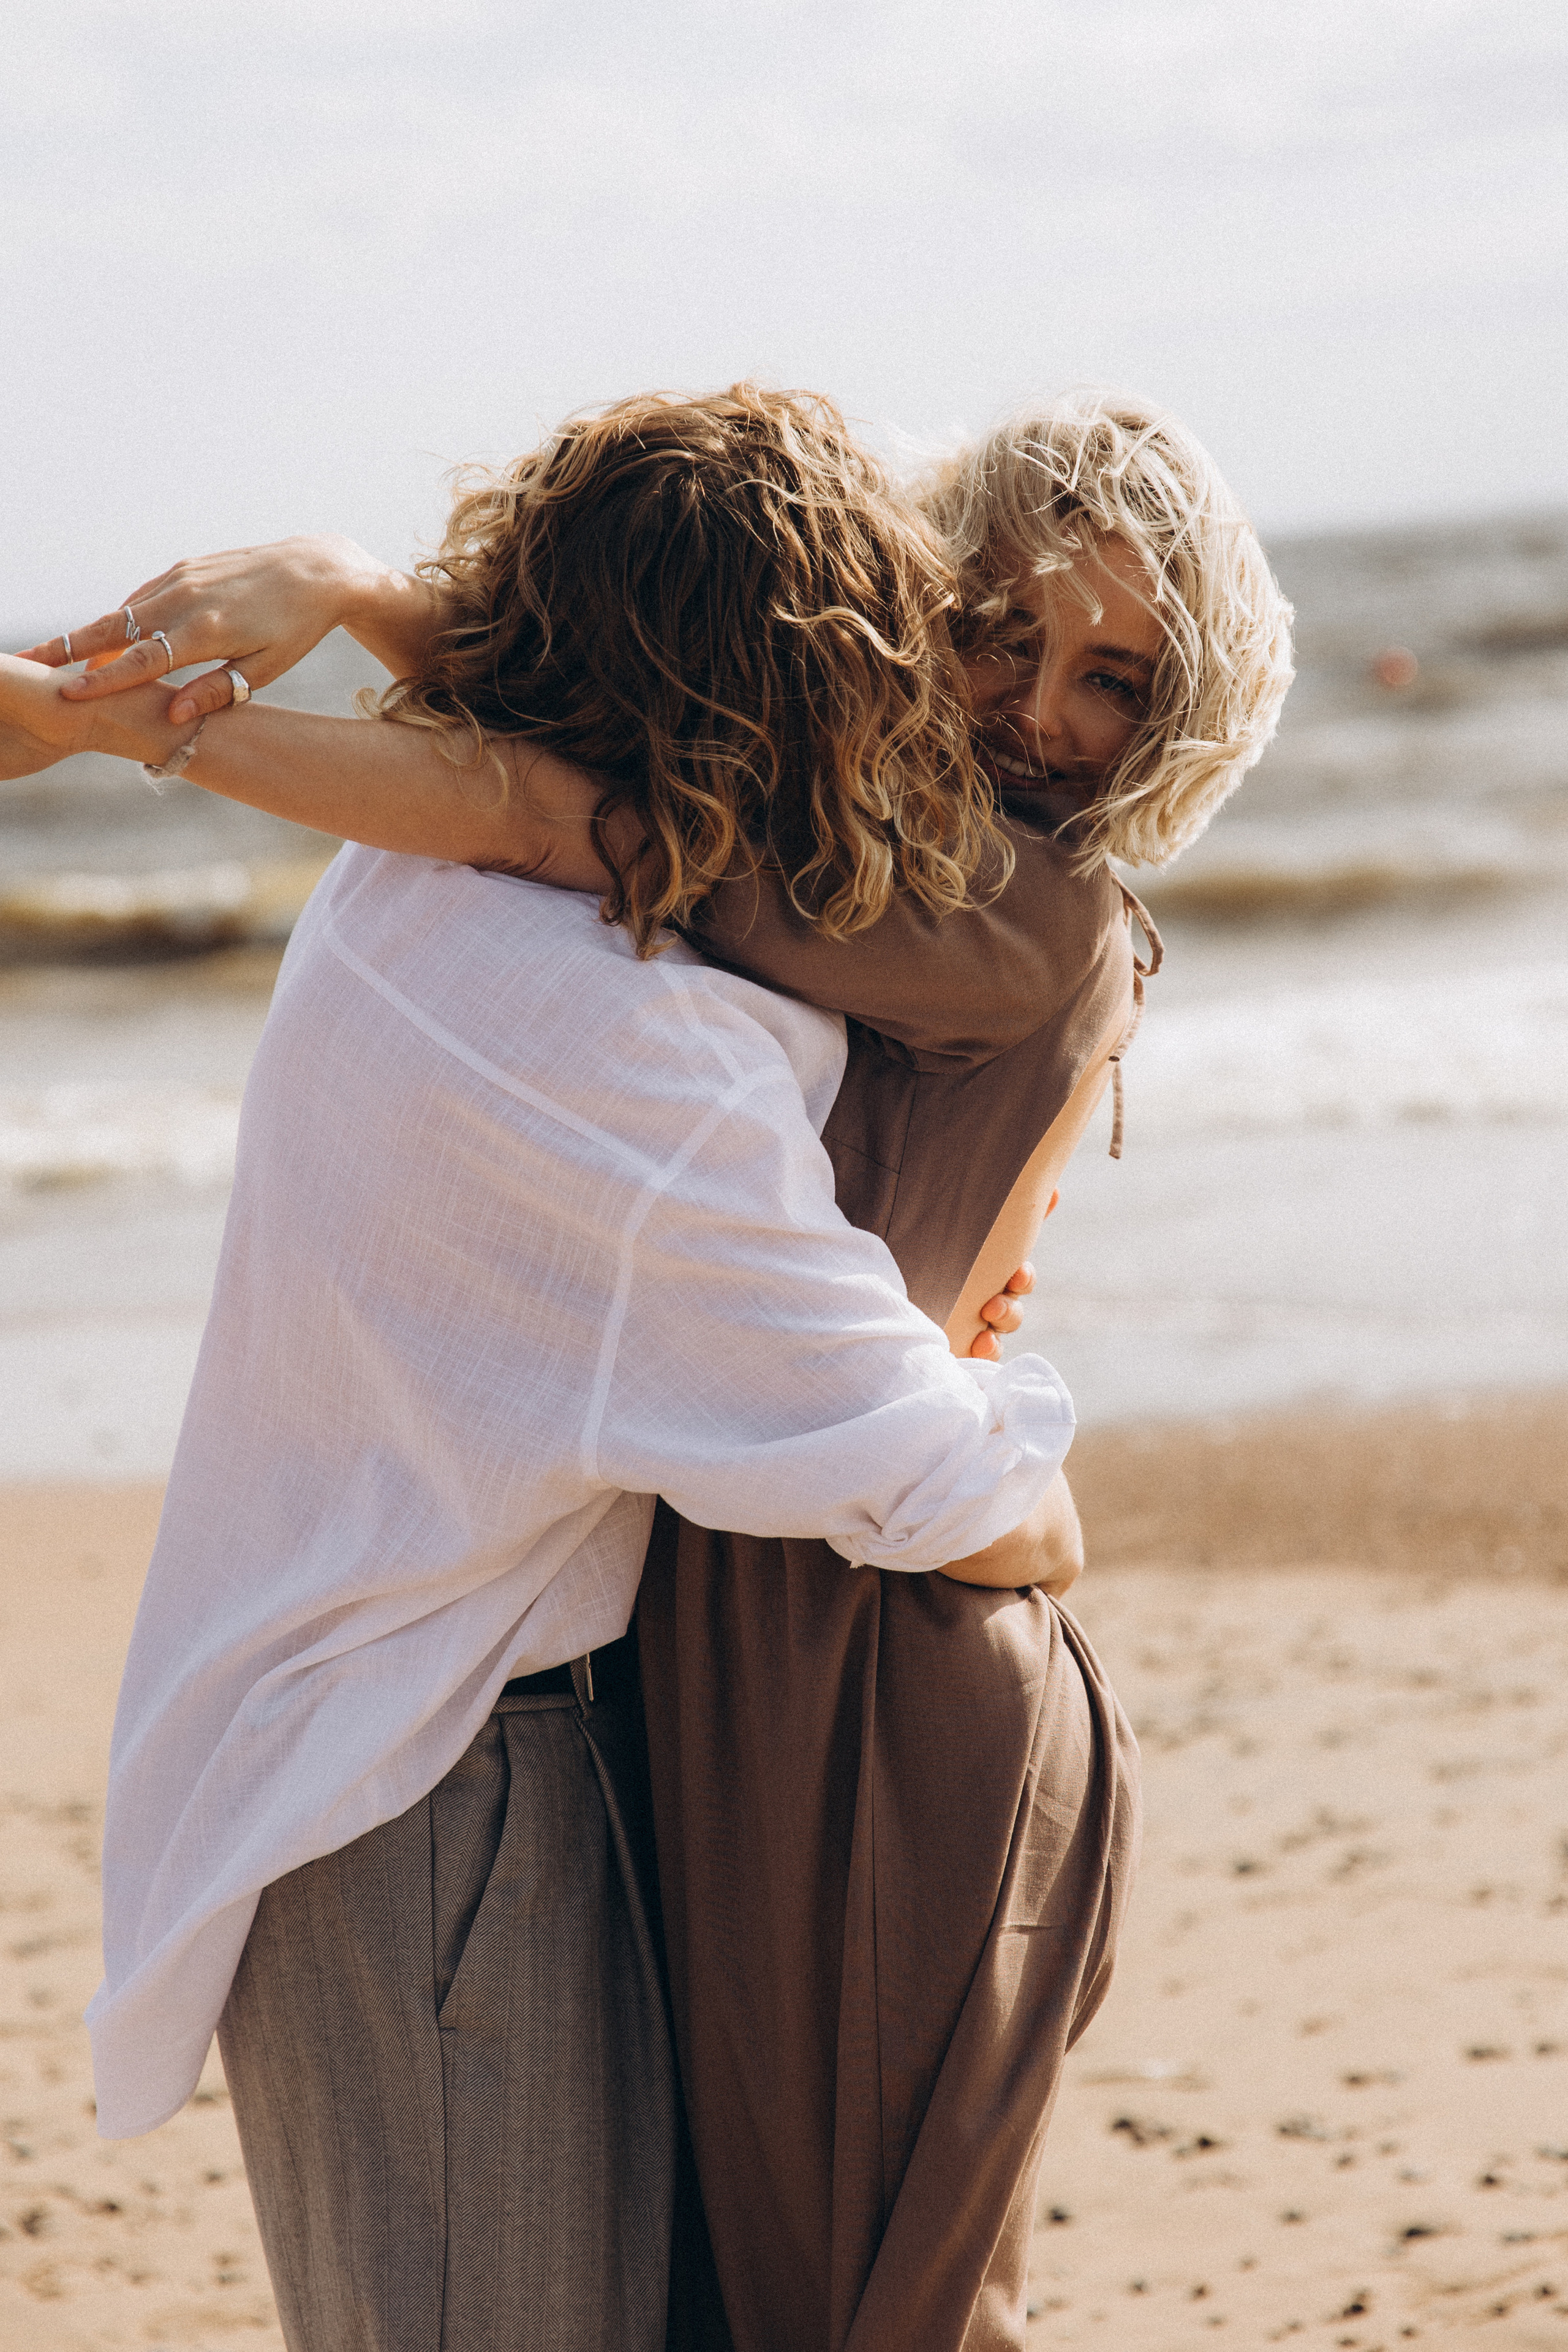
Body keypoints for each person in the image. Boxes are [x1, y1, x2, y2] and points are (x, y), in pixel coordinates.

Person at [23, 388, 1294, 2349]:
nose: (1036, 712)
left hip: (851, 1660)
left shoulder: (998, 915)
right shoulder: (780, 892)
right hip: (722, 1648)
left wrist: (240, 666)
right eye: (995, 633)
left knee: (869, 2308)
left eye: (1114, 680)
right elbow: (621, 770)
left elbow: (576, 795)